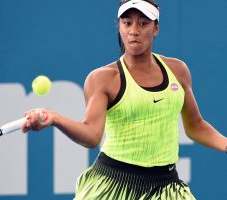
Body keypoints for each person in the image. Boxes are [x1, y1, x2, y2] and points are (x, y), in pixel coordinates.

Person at [22, 0, 227, 199]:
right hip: (113, 184)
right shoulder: (103, 79)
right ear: (119, 26)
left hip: (166, 186)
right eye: (127, 23)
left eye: (143, 23)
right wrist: (55, 118)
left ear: (156, 28)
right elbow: (92, 136)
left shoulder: (178, 71)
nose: (134, 30)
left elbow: (195, 125)